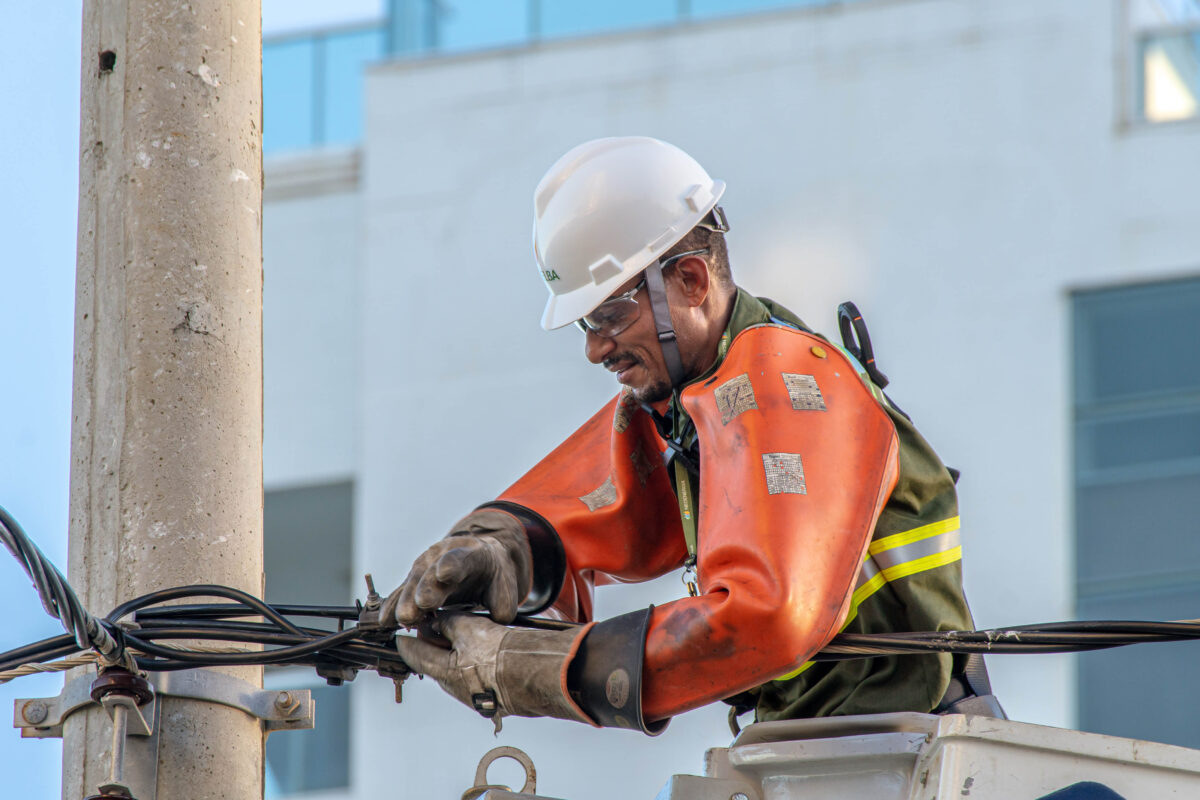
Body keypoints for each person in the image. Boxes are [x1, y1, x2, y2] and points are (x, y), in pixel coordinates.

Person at [386, 136, 1001, 734]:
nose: (595, 349)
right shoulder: (696, 401)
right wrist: (497, 548)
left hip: (906, 737)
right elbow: (590, 502)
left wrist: (552, 671)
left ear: (690, 281)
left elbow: (769, 618)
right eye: (585, 325)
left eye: (608, 315)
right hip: (822, 740)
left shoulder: (782, 386)